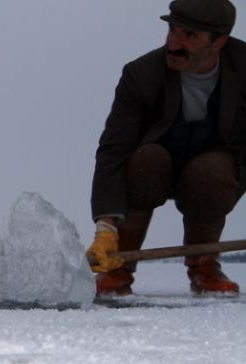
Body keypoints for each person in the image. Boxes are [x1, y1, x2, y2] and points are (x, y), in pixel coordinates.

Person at [87, 0, 245, 296]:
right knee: (147, 159)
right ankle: (117, 268)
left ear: (219, 42)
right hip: (153, 169)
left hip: (214, 173)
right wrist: (105, 226)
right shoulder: (141, 75)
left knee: (211, 170)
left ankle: (204, 267)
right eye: (172, 29)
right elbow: (113, 149)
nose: (173, 43)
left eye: (189, 35)